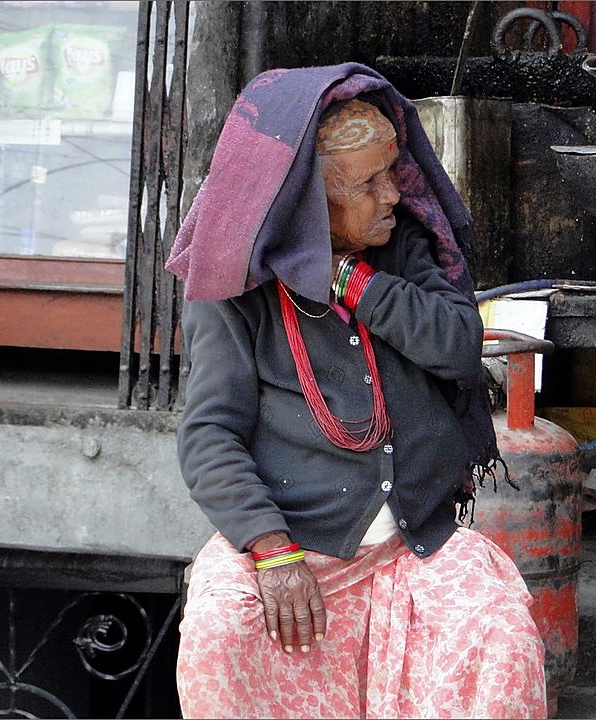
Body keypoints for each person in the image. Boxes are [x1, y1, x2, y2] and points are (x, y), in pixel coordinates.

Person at [166, 63, 548, 719]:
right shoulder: (233, 291)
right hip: (294, 544)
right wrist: (270, 550)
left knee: (500, 631)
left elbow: (458, 349)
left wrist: (352, 281)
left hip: (415, 540)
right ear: (306, 205)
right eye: (366, 184)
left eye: (392, 173)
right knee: (219, 634)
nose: (394, 194)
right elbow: (209, 435)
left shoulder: (401, 247)